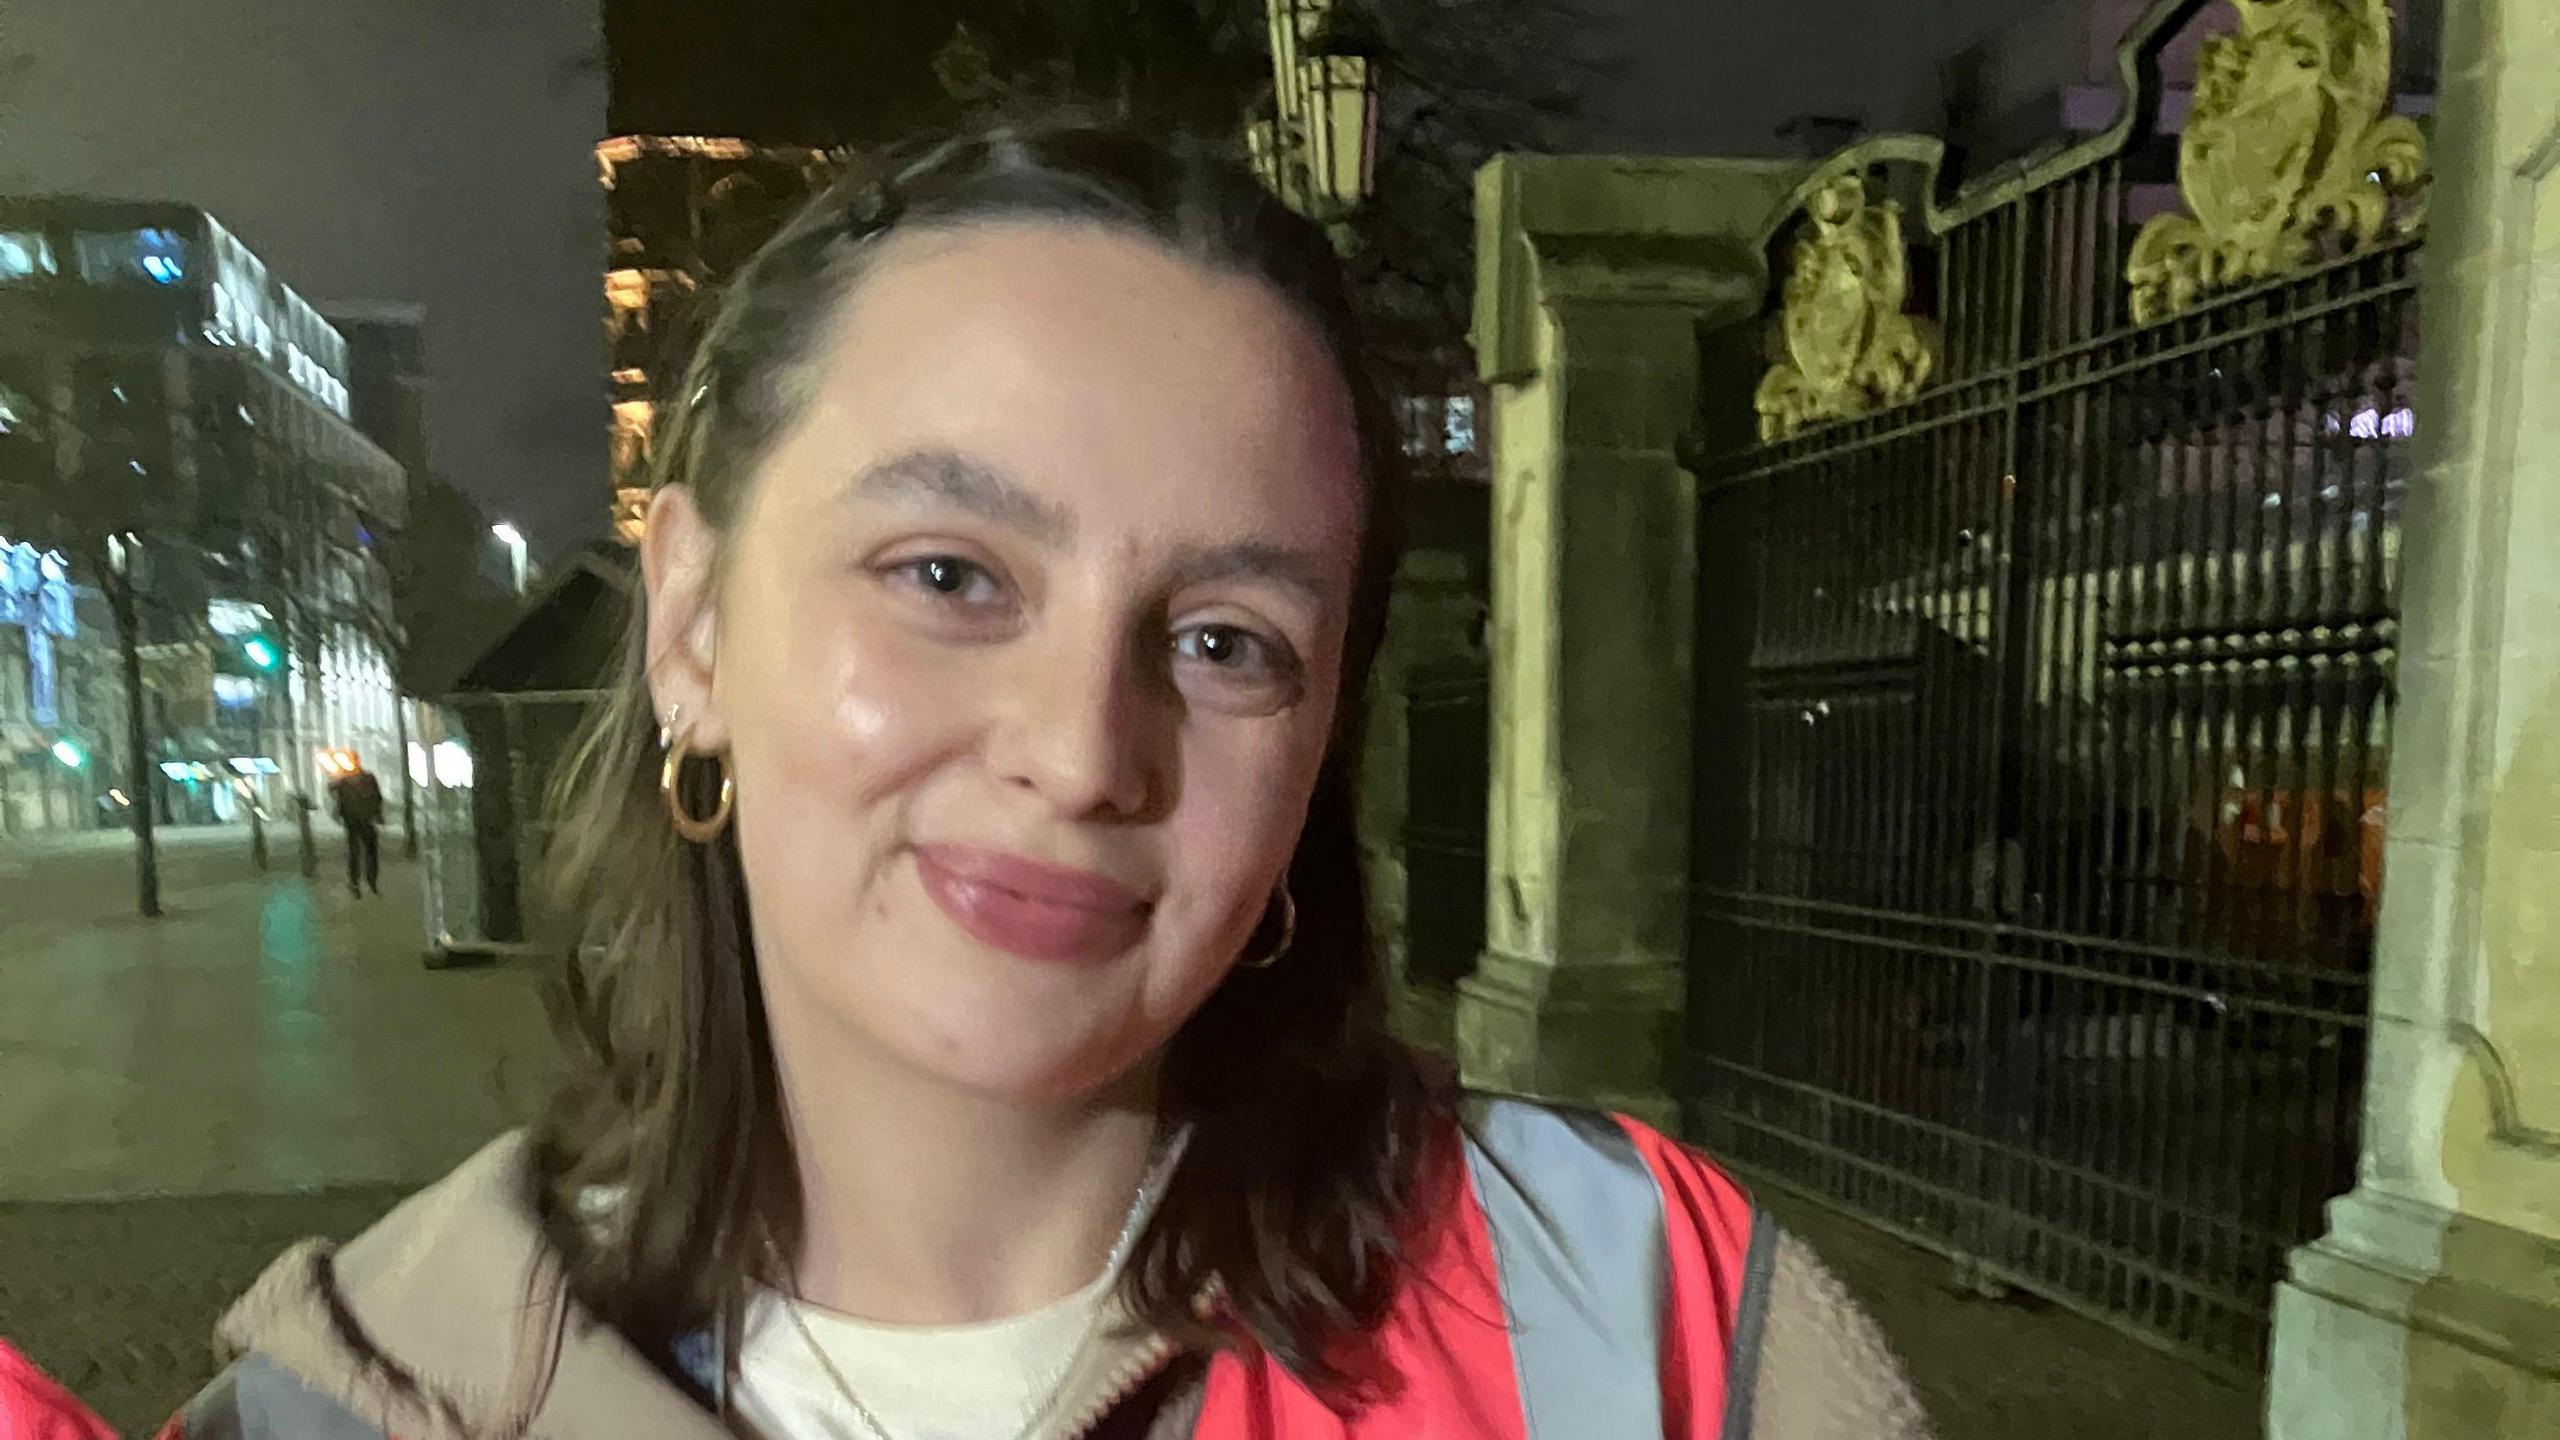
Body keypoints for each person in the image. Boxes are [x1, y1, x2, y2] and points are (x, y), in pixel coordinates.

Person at [164, 120, 1929, 1440]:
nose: (1085, 753)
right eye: (950, 576)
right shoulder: (344, 1411)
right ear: (692, 624)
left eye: (1227, 641)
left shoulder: (1651, 1323)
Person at [328, 754, 384, 897]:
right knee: (357, 852)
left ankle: (368, 881)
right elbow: (331, 789)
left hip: (363, 819)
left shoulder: (366, 778)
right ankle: (358, 883)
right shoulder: (345, 780)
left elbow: (377, 797)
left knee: (366, 852)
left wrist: (377, 813)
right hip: (354, 820)